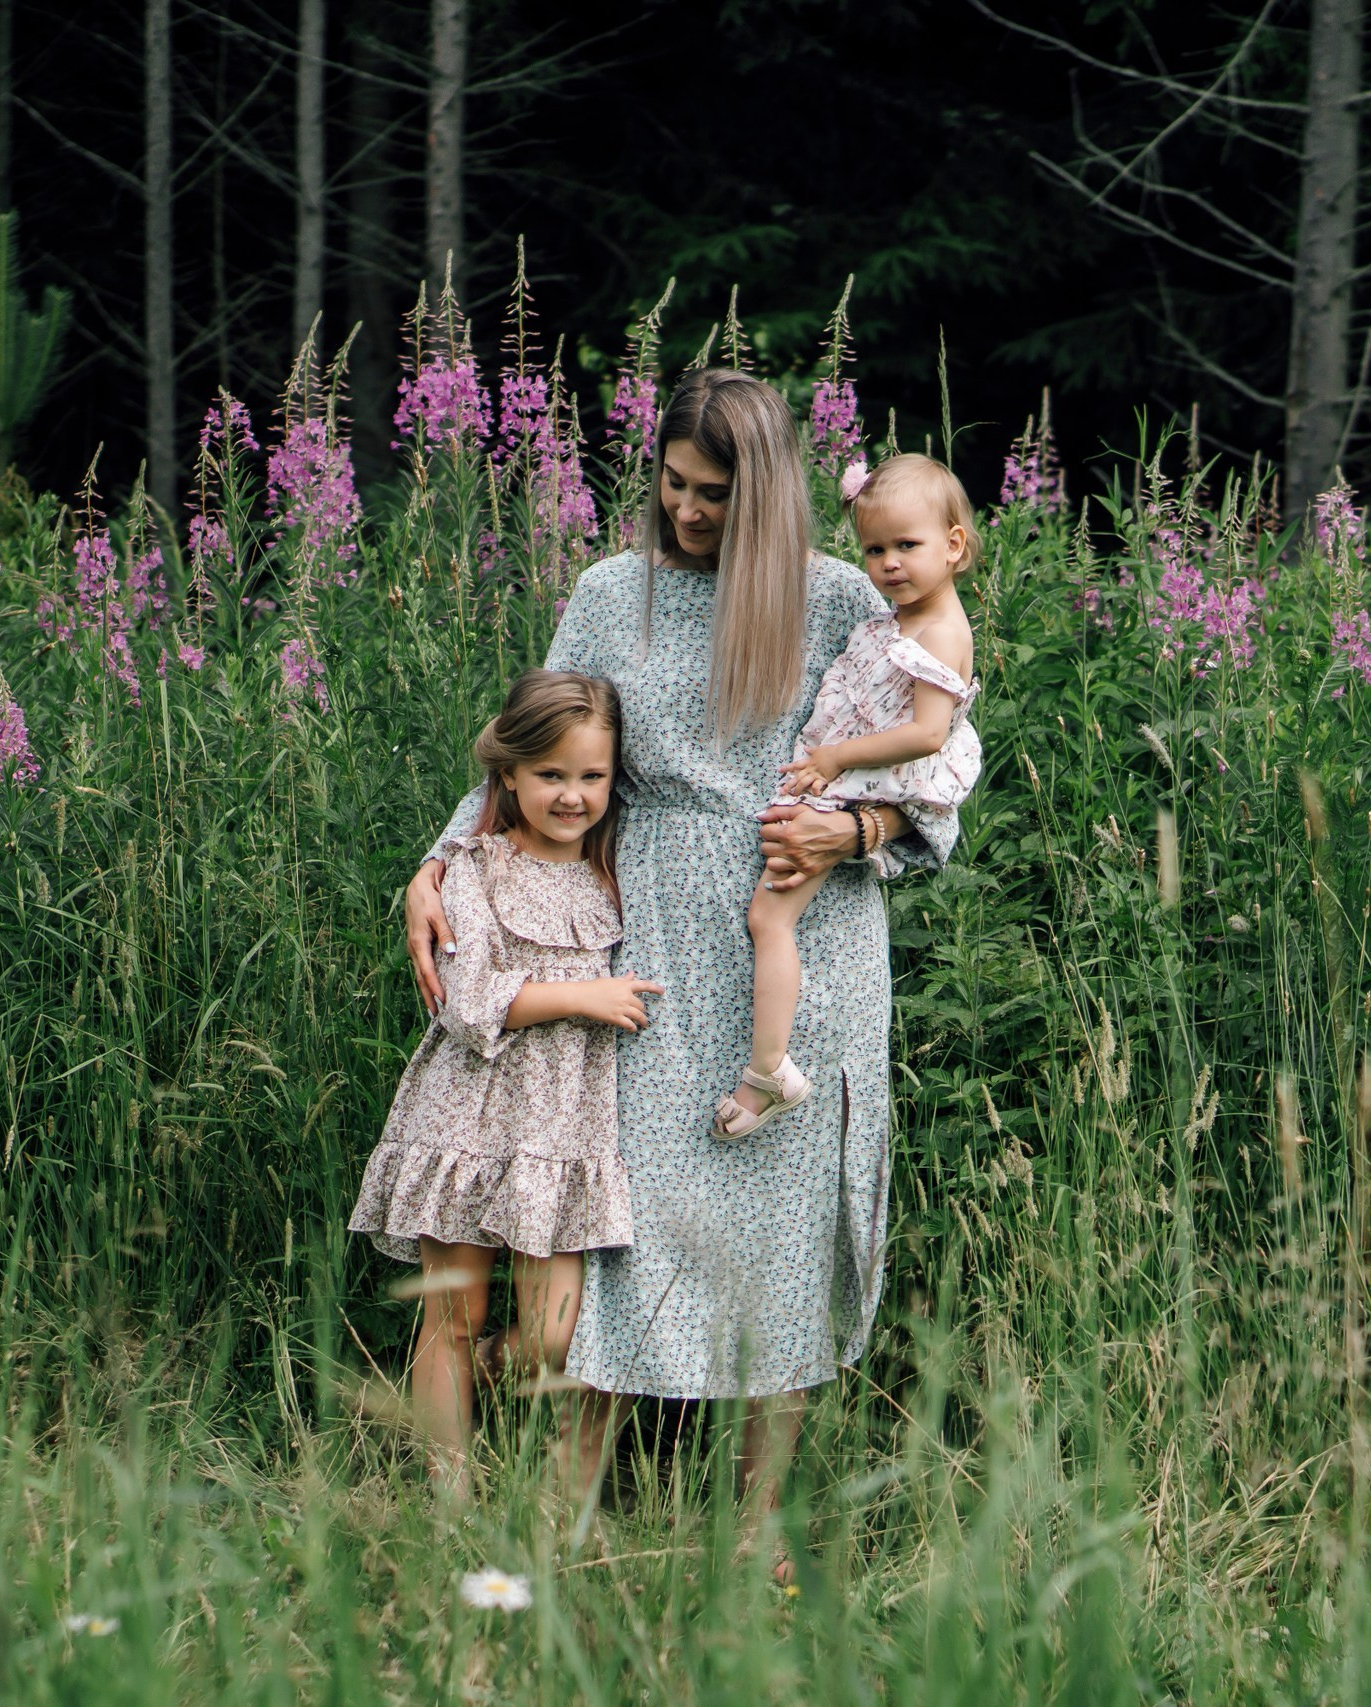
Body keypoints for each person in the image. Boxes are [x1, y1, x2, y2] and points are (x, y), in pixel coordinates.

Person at [400, 370, 957, 1552]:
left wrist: (854, 828)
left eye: (716, 495)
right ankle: (560, 1528)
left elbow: (936, 782)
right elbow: (532, 753)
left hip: (803, 943)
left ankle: (755, 1540)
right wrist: (441, 864)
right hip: (642, 943)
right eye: (672, 483)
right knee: (622, 1231)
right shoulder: (613, 595)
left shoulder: (845, 600)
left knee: (792, 1236)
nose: (688, 512)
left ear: (769, 499)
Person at [353, 669, 658, 1493]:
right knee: (454, 1314)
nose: (572, 796)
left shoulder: (612, 870)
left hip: (561, 1130)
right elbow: (468, 997)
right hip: (468, 1110)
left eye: (591, 776)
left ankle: (474, 1379)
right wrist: (583, 997)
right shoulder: (473, 871)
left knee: (554, 1331)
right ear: (509, 776)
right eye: (551, 775)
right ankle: (447, 1492)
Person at [716, 453, 982, 1139]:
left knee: (770, 921)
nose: (889, 563)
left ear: (954, 546)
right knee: (765, 916)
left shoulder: (942, 633)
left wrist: (833, 758)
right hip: (848, 783)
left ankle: (768, 1070)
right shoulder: (901, 620)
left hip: (863, 787)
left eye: (906, 546)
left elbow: (927, 733)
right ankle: (767, 1065)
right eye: (874, 549)